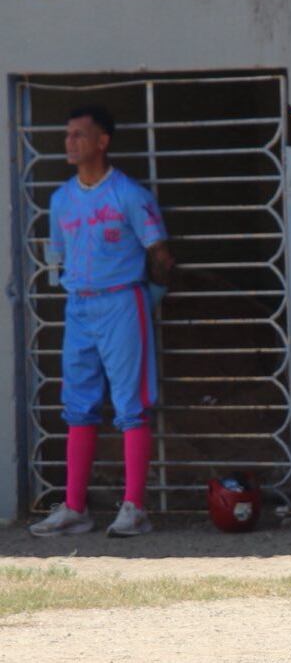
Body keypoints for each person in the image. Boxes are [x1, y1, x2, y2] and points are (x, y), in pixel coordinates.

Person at [29, 105, 174, 538]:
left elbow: (161, 256)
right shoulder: (61, 199)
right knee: (77, 405)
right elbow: (57, 255)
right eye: (67, 134)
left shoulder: (128, 194)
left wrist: (149, 297)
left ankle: (135, 508)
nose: (70, 142)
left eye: (79, 134)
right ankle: (75, 507)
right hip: (79, 307)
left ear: (102, 141)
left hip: (122, 303)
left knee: (131, 404)